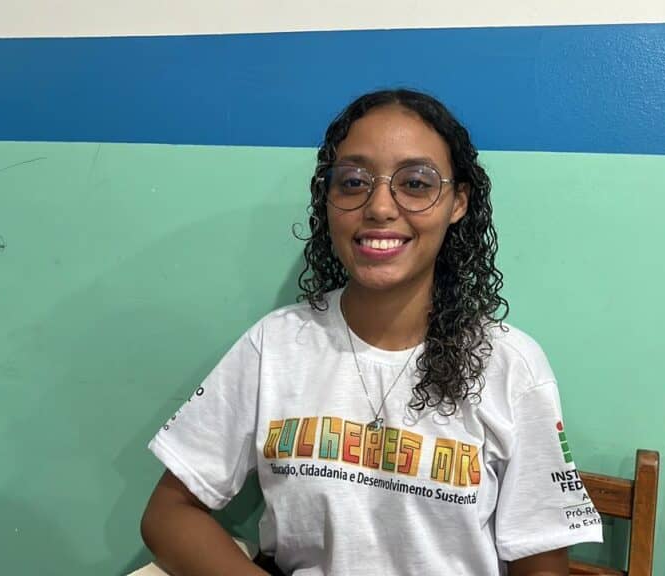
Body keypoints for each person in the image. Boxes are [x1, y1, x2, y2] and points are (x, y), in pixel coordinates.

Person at [140, 89, 602, 575]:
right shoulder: (274, 346)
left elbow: (542, 565)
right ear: (329, 200)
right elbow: (168, 514)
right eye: (354, 182)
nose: (380, 207)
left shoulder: (509, 365)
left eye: (416, 183)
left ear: (458, 202)